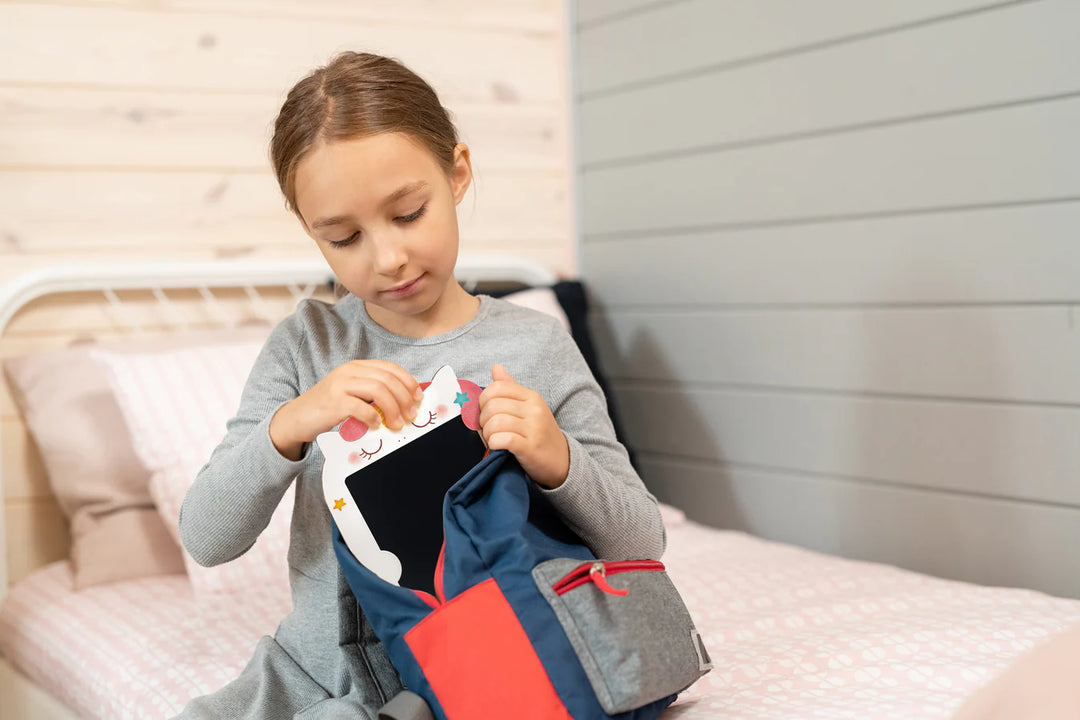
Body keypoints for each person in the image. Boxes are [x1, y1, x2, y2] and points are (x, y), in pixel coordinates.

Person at [173, 50, 665, 719]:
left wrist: (557, 461)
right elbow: (206, 537)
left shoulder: (535, 345)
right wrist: (291, 424)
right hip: (317, 676)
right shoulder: (307, 346)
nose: (388, 258)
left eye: (408, 214)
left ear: (457, 173)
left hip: (487, 671)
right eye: (343, 238)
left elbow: (641, 543)